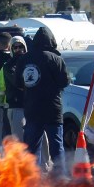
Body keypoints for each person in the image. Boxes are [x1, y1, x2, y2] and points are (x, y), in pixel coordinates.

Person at [18, 26, 71, 176]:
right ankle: (61, 178)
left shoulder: (24, 59)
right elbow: (64, 82)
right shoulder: (56, 59)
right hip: (52, 109)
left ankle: (32, 180)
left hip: (32, 109)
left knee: (32, 147)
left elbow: (18, 83)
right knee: (56, 146)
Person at [4, 36, 29, 141]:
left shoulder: (30, 62)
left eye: (21, 47)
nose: (18, 50)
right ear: (11, 49)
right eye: (15, 47)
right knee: (19, 142)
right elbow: (18, 83)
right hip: (17, 106)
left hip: (31, 107)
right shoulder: (9, 65)